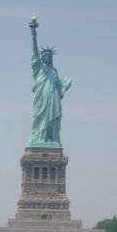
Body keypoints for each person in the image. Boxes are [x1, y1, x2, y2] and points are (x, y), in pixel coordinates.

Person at [28, 18, 72, 146]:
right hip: (41, 99)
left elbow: (59, 87)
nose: (48, 58)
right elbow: (34, 51)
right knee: (39, 118)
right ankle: (40, 139)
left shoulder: (54, 71)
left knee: (52, 120)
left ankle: (50, 140)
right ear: (42, 58)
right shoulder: (39, 68)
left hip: (53, 100)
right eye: (45, 56)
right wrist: (33, 33)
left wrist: (65, 85)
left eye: (49, 57)